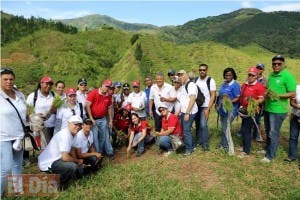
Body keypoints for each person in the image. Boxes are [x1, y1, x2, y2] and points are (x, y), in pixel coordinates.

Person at [262, 55, 296, 163]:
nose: (276, 66)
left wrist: (278, 95)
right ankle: (268, 149)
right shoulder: (271, 75)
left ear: (283, 64)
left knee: (273, 132)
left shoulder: (287, 76)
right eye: (274, 64)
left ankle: (270, 156)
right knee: (268, 131)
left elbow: (292, 93)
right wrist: (267, 93)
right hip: (268, 107)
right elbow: (269, 89)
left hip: (278, 110)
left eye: (279, 64)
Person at [0, 68, 27, 196]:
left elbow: (23, 114)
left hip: (19, 136)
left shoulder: (19, 95)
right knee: (5, 168)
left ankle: (18, 190)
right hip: (3, 137)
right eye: (5, 79)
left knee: (17, 165)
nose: (8, 82)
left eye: (11, 79)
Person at [38, 115, 84, 188]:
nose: (78, 127)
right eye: (75, 124)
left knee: (78, 167)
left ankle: (63, 176)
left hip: (58, 158)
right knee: (72, 167)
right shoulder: (65, 135)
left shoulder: (74, 134)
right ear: (68, 123)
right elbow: (65, 158)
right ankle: (57, 185)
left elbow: (72, 149)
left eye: (80, 125)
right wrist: (77, 161)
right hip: (49, 162)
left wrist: (77, 161)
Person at [238, 67, 266, 158]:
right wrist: (241, 105)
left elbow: (261, 99)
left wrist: (253, 102)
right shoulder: (244, 85)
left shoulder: (259, 86)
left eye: (252, 75)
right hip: (244, 110)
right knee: (243, 129)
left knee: (246, 130)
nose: (250, 77)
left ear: (256, 76)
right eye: (249, 74)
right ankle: (245, 146)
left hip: (252, 111)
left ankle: (246, 151)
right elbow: (241, 96)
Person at [86, 79, 114, 160]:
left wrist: (111, 120)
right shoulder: (93, 93)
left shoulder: (108, 96)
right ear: (102, 85)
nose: (107, 88)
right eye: (106, 86)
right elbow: (87, 105)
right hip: (94, 119)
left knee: (104, 136)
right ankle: (98, 154)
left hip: (103, 119)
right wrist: (91, 118)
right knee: (95, 137)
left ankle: (103, 152)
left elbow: (109, 108)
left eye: (109, 87)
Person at [216, 67, 240, 151]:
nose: (228, 76)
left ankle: (226, 146)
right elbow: (221, 96)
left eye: (230, 75)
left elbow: (237, 98)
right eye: (226, 75)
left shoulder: (235, 85)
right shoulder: (224, 84)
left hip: (231, 110)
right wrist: (218, 105)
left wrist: (228, 102)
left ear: (233, 75)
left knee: (226, 127)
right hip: (222, 110)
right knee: (223, 127)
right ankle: (223, 144)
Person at [26, 76, 56, 144]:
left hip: (53, 127)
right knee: (41, 149)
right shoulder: (33, 96)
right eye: (47, 84)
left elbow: (58, 110)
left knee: (53, 148)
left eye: (50, 84)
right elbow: (27, 112)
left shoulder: (54, 95)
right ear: (41, 84)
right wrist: (36, 116)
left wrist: (51, 112)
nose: (49, 86)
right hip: (39, 128)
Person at [194, 63, 217, 151]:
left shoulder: (210, 80)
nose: (202, 71)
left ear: (206, 70)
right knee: (198, 125)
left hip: (205, 106)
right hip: (196, 106)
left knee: (203, 125)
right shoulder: (195, 80)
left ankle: (205, 144)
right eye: (200, 70)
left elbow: (213, 95)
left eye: (204, 70)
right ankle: (199, 141)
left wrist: (208, 109)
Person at [177, 69, 198, 156]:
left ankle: (189, 149)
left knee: (186, 130)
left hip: (189, 111)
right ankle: (191, 146)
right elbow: (183, 100)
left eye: (182, 75)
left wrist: (187, 113)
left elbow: (192, 99)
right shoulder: (183, 85)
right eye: (179, 75)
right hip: (183, 111)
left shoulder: (191, 85)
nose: (180, 77)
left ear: (186, 75)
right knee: (185, 129)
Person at [285, 84, 300, 162]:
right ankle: (292, 156)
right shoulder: (297, 88)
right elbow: (292, 103)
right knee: (293, 136)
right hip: (295, 116)